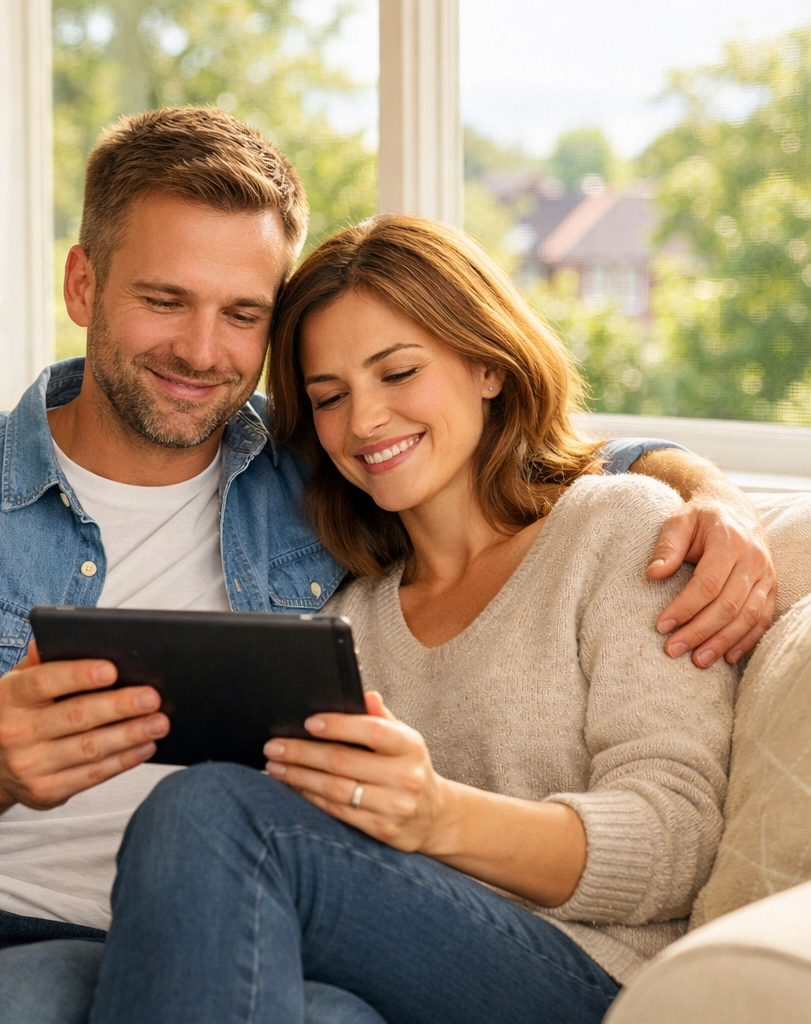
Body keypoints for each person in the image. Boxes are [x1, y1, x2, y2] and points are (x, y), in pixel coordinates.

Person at [0, 108, 773, 1024]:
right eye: (165, 299)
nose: (201, 349)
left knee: (141, 873)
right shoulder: (352, 581)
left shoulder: (588, 523)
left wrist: (706, 488)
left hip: (168, 939)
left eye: (243, 314)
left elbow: (529, 459)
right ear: (83, 284)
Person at [73, 215, 740, 1024]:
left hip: (587, 980)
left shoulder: (620, 530)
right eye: (330, 396)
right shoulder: (346, 617)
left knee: (206, 810)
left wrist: (437, 815)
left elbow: (676, 839)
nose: (364, 422)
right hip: (393, 976)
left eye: (397, 373)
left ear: (487, 365)